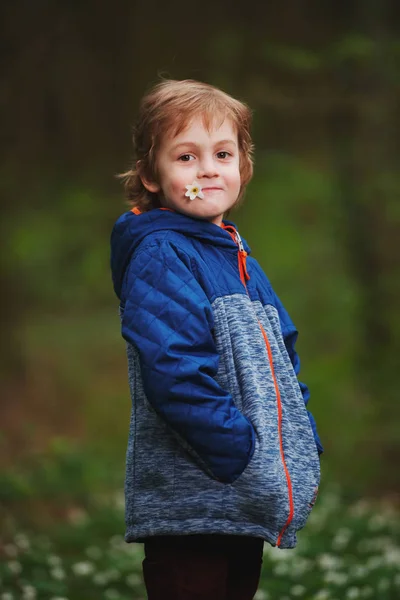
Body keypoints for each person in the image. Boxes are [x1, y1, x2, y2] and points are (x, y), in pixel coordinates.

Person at [110, 79, 323, 600]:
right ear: (151, 176)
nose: (208, 169)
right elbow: (176, 372)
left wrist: (302, 442)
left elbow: (284, 362)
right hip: (195, 505)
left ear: (242, 169)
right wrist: (245, 455)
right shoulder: (163, 254)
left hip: (239, 503)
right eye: (185, 156)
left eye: (222, 153)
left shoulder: (235, 255)